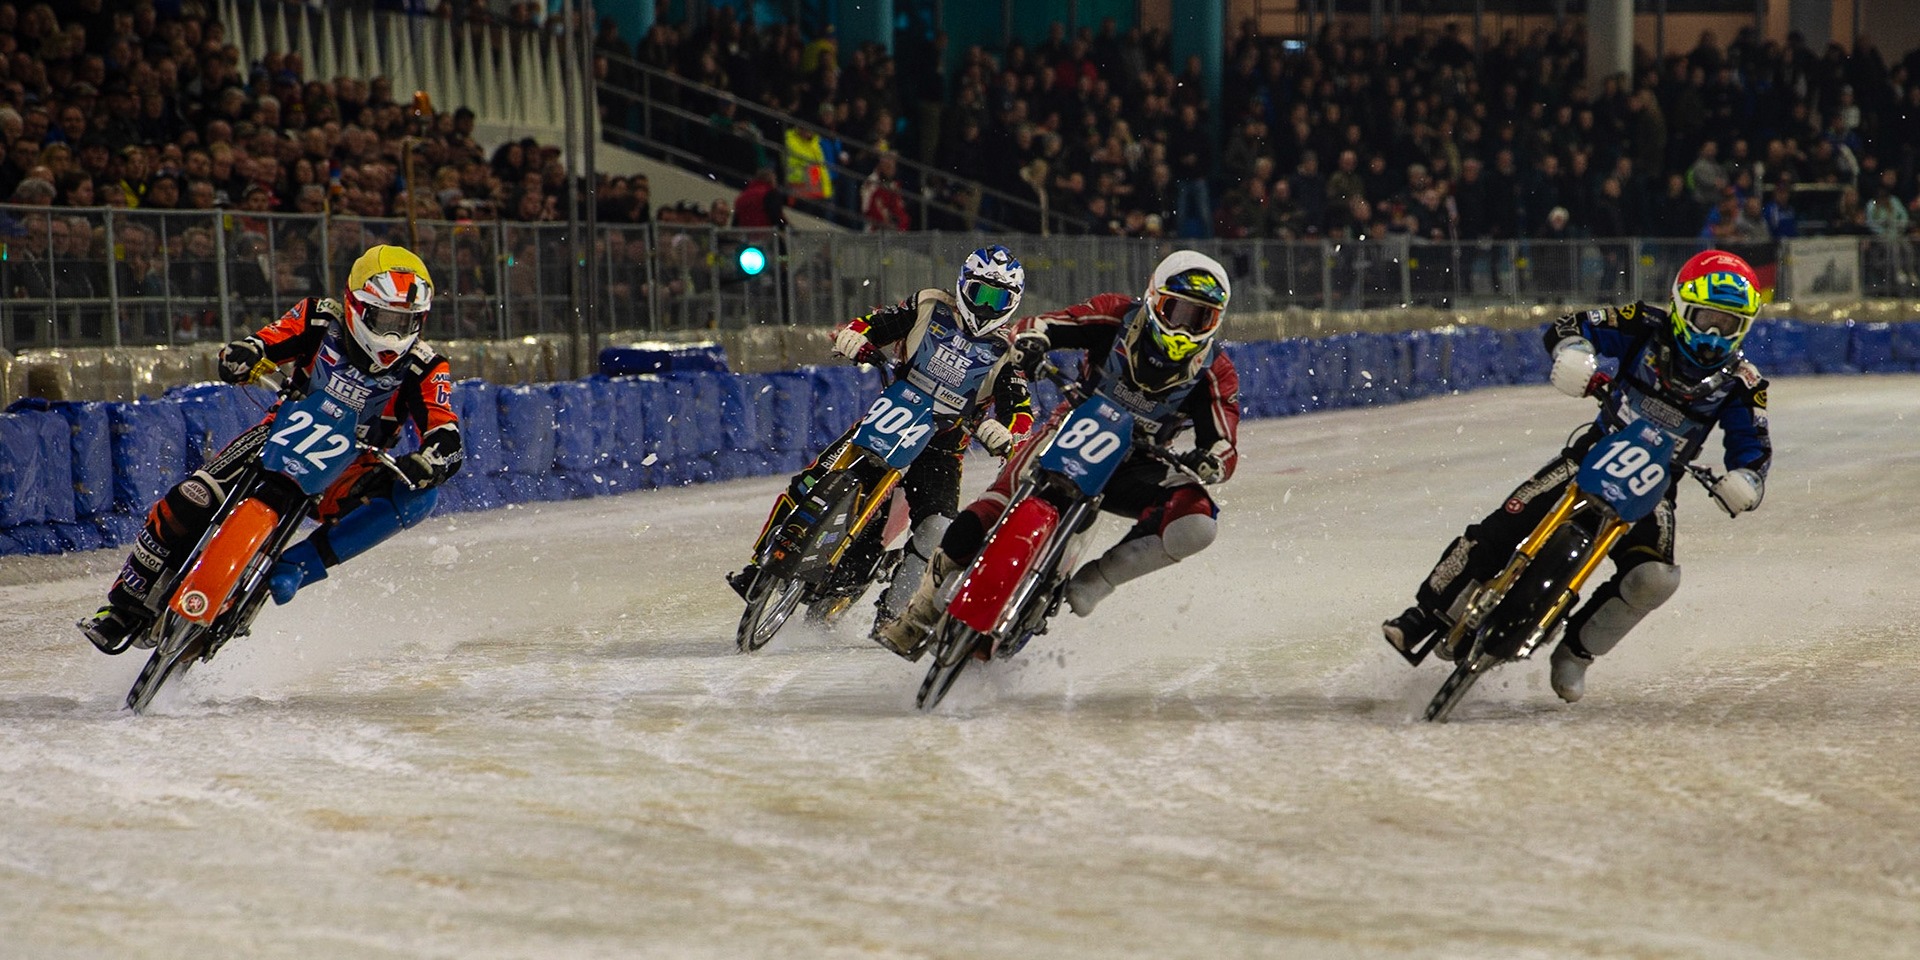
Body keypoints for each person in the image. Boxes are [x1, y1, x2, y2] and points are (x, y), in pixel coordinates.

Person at [1381, 250, 1773, 702]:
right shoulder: (1643, 323)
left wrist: (1748, 478)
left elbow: (1755, 448)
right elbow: (1571, 325)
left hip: (1655, 486)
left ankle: (1574, 654)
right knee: (1508, 520)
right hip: (1593, 452)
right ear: (1681, 307)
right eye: (1705, 318)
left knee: (1655, 577)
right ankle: (1423, 617)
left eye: (1726, 324)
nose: (1711, 334)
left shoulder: (1745, 382)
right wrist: (1574, 353)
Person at [79, 246, 464, 655]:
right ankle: (121, 607)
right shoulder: (319, 318)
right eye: (385, 319)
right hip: (277, 434)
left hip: (350, 465)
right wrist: (246, 355)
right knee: (189, 500)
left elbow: (445, 428)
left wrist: (432, 459)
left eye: (405, 322)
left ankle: (298, 565)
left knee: (420, 496)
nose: (392, 334)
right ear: (356, 304)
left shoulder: (426, 365)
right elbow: (265, 341)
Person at [875, 250, 1241, 658]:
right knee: (989, 509)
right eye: (1177, 311)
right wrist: (1032, 342)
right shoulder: (1116, 314)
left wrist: (1209, 460)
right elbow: (1047, 324)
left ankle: (1098, 579)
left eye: (1200, 318)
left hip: (1139, 462)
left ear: (1216, 322)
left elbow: (1224, 440)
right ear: (1155, 299)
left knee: (1198, 522)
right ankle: (920, 610)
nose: (1184, 327)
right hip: (1071, 428)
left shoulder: (1215, 370)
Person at [729, 246, 1034, 629]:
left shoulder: (1008, 352)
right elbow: (871, 324)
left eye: (999, 298)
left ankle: (893, 615)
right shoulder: (928, 304)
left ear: (1013, 303)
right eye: (980, 293)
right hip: (890, 416)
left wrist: (1006, 433)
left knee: (936, 530)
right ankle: (758, 566)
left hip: (942, 449)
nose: (987, 306)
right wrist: (854, 337)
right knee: (808, 481)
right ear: (962, 286)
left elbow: (1021, 411)